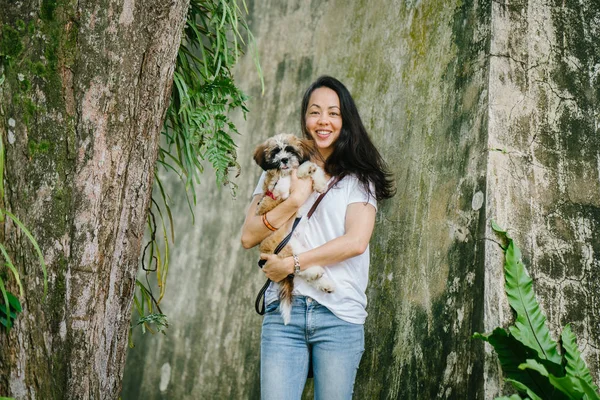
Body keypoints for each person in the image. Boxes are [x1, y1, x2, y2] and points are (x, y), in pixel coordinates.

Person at [241, 75, 395, 400]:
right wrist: (295, 201)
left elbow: (355, 242)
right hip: (285, 313)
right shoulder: (277, 171)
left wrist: (292, 264)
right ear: (305, 119)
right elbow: (248, 235)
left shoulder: (359, 178)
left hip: (338, 314)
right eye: (315, 112)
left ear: (345, 121)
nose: (323, 121)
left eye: (333, 113)